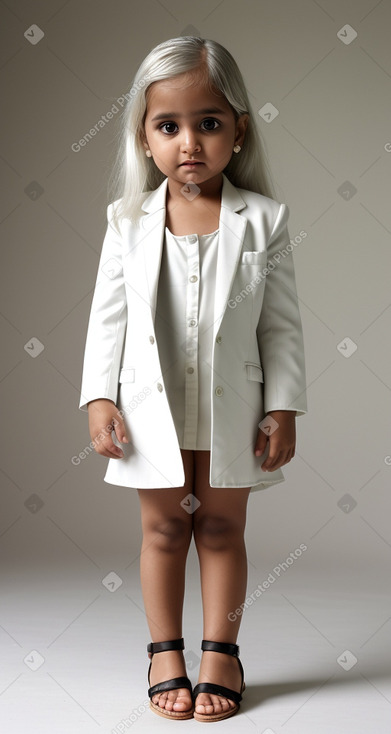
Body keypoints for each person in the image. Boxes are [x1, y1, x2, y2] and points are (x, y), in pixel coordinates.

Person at [78, 36, 308, 723]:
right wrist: (98, 396)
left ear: (238, 129)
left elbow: (280, 326)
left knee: (218, 529)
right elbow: (107, 318)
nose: (189, 142)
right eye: (168, 125)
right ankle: (163, 652)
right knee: (162, 532)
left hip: (230, 407)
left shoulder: (262, 220)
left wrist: (283, 406)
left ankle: (220, 655)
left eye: (208, 123)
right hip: (152, 409)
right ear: (143, 136)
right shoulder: (126, 222)